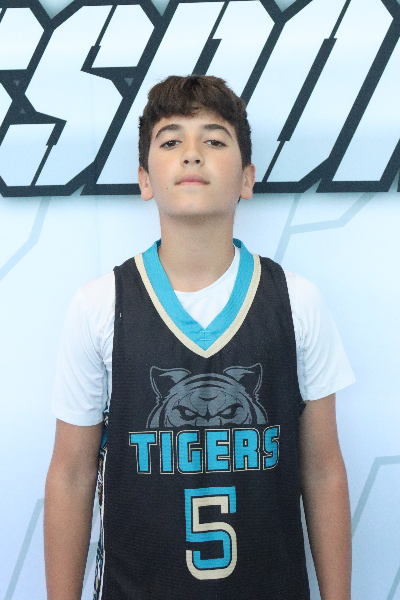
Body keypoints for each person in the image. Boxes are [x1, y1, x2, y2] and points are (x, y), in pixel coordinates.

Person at [45, 75, 355, 600]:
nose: (192, 153)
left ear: (247, 178)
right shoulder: (99, 305)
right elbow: (71, 475)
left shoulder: (296, 301)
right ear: (145, 179)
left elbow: (322, 470)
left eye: (214, 139)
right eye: (171, 141)